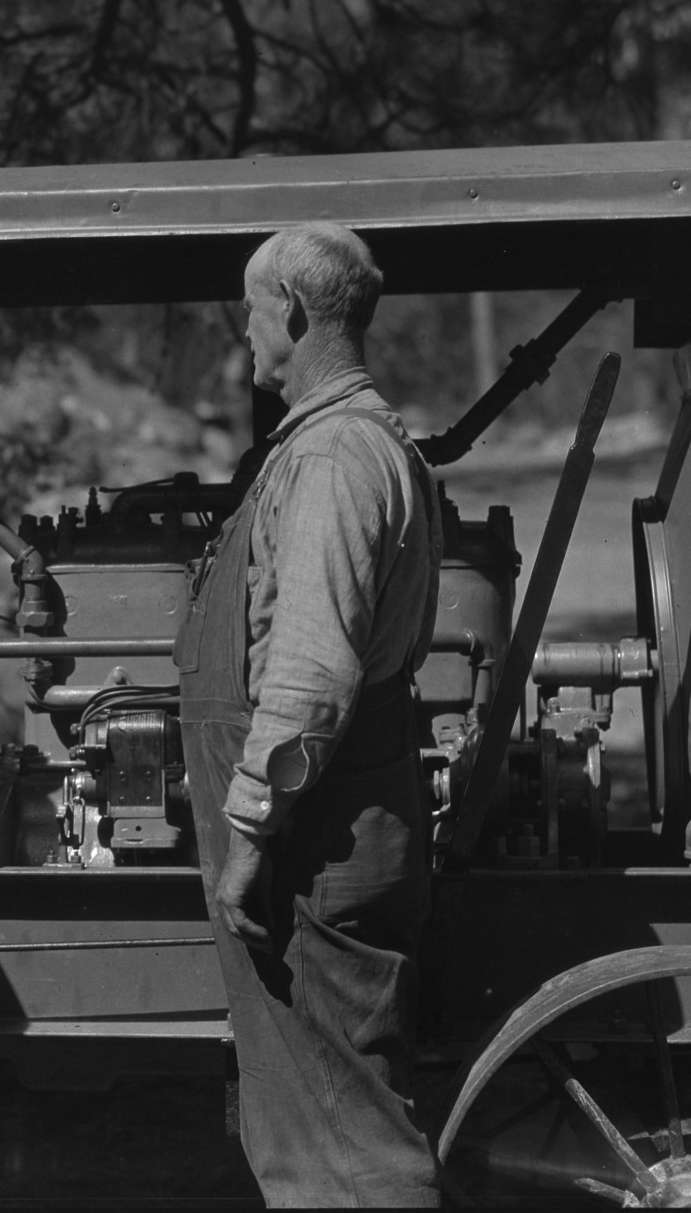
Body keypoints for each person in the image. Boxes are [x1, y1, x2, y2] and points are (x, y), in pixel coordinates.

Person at [175, 221, 442, 1207]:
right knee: (312, 1131)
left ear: (289, 310)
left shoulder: (333, 457)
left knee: (345, 1149)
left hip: (310, 848)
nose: (244, 333)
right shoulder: (339, 443)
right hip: (321, 830)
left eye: (250, 311)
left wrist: (248, 830)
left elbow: (308, 676)